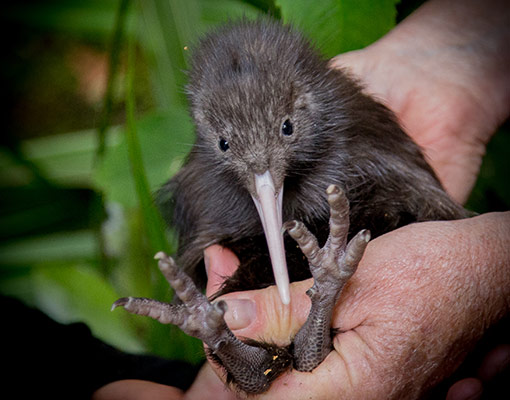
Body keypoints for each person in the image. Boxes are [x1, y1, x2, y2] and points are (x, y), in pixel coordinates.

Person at [93, 0, 510, 398]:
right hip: (272, 349)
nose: (264, 183)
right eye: (223, 144)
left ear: (305, 102)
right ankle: (254, 335)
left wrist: (487, 267)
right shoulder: (200, 186)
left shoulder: (363, 131)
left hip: (387, 274)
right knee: (260, 350)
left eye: (286, 129)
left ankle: (308, 311)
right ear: (204, 125)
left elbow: (436, 214)